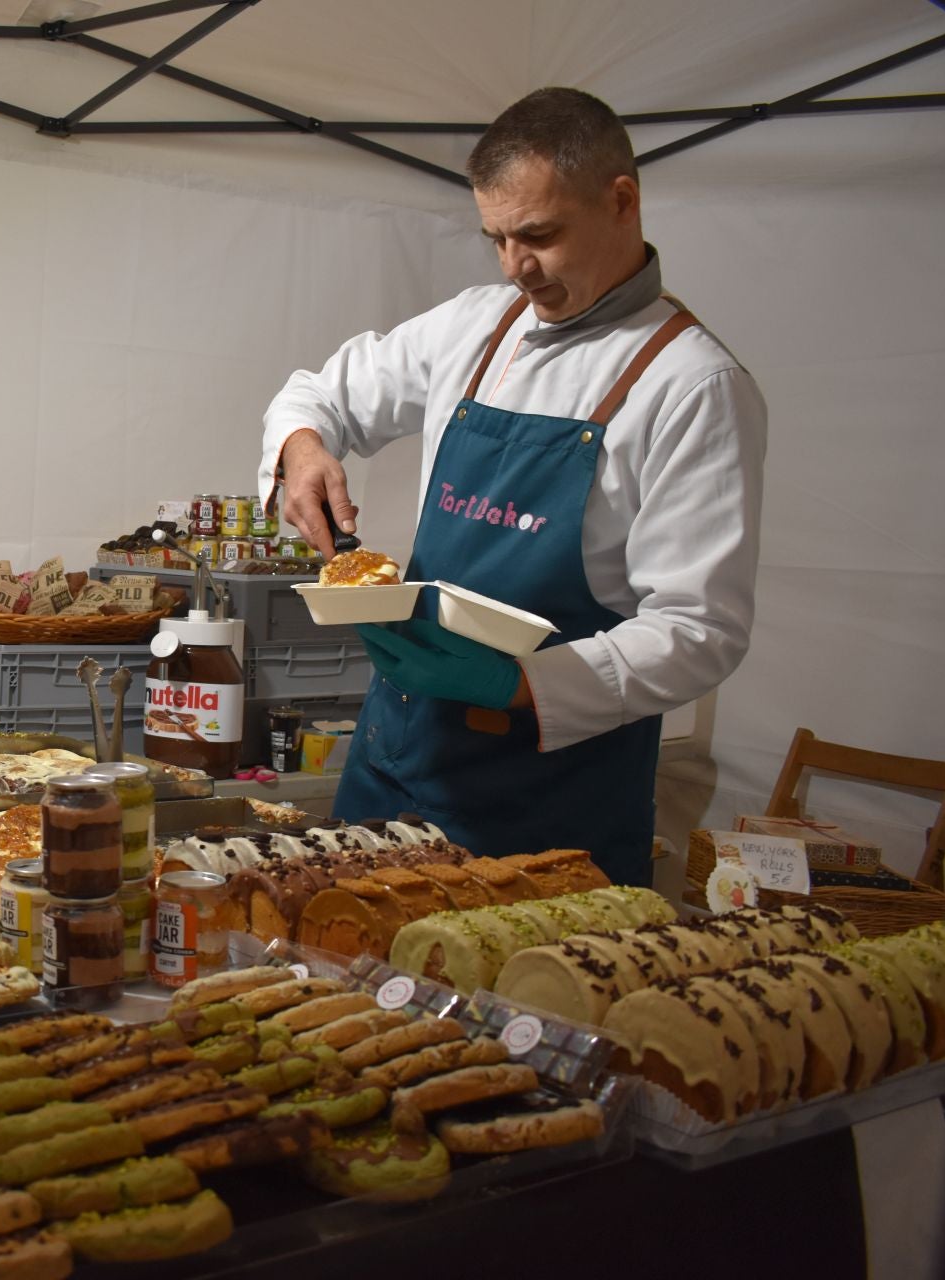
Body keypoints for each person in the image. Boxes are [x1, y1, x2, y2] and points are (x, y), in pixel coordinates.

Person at [260, 87, 765, 886]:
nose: (515, 267)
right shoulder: (479, 323)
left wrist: (525, 681)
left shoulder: (691, 384)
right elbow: (319, 392)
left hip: (548, 798)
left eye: (539, 235)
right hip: (396, 755)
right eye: (495, 238)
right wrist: (301, 450)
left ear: (621, 200)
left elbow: (701, 630)